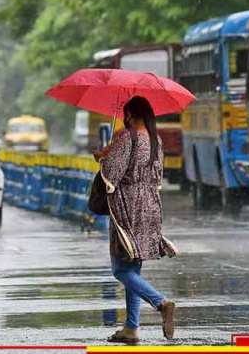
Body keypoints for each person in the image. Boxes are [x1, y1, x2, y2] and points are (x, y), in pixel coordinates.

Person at [93, 96, 176, 344]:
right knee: (132, 267)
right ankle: (131, 327)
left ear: (129, 114)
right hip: (150, 204)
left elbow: (112, 175)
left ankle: (161, 303)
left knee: (120, 268)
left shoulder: (127, 138)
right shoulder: (154, 139)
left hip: (127, 206)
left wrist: (103, 157)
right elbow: (158, 174)